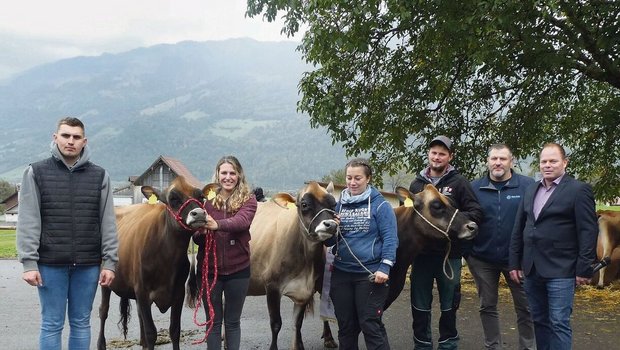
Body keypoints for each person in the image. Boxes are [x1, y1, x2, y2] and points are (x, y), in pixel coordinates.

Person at [16, 117, 119, 350]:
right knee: (52, 323)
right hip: (50, 264)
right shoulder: (36, 172)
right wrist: (29, 263)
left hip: (88, 264)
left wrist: (110, 262)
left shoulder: (100, 176)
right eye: (65, 136)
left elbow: (108, 222)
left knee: (82, 323)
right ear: (56, 138)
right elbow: (28, 220)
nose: (70, 141)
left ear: (84, 141)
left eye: (76, 137)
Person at [509, 142, 598, 349]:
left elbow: (588, 230)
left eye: (553, 161)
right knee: (539, 319)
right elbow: (519, 228)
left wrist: (584, 267)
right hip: (531, 269)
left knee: (558, 322)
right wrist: (514, 262)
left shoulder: (579, 190)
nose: (547, 165)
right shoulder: (531, 189)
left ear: (564, 163)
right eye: (544, 161)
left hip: (562, 269)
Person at [408, 135, 483, 349]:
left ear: (450, 157)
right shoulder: (417, 184)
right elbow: (410, 215)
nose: (437, 157)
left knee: (449, 303)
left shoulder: (459, 183)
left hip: (449, 255)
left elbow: (476, 212)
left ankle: (448, 344)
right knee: (420, 303)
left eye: (442, 154)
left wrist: (455, 225)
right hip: (421, 255)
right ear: (428, 154)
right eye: (434, 153)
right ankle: (422, 344)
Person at [326, 157, 398, 350]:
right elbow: (331, 242)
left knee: (370, 324)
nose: (352, 182)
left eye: (358, 178)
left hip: (371, 275)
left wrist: (385, 267)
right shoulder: (338, 206)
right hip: (341, 274)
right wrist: (332, 229)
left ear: (368, 179)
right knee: (346, 327)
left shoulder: (381, 206)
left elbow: (391, 239)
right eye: (349, 178)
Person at [469, 144, 535, 349]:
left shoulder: (527, 186)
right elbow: (464, 220)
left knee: (526, 308)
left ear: (511, 161)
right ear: (487, 161)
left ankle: (528, 347)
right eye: (494, 158)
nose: (498, 163)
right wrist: (467, 253)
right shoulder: (474, 187)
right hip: (482, 259)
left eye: (503, 159)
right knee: (487, 306)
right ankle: (493, 346)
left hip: (517, 261)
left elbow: (533, 221)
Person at [193, 155, 257, 350]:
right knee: (212, 322)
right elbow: (196, 237)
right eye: (224, 173)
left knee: (232, 322)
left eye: (232, 173)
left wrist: (215, 224)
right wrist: (202, 232)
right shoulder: (207, 201)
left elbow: (241, 222)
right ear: (217, 175)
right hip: (209, 271)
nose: (228, 177)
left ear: (239, 175)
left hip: (238, 270)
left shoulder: (249, 200)